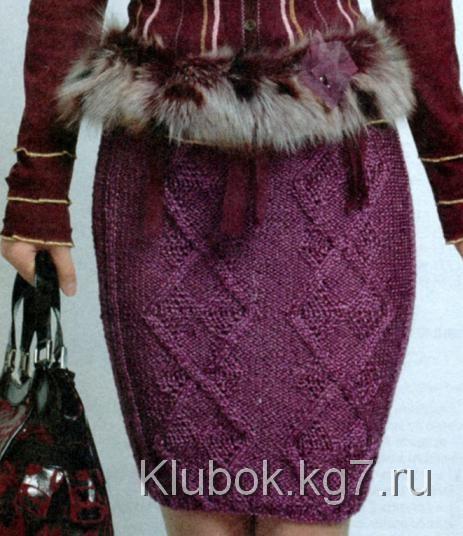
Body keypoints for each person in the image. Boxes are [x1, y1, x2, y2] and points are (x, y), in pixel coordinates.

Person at [1, 1, 463, 535]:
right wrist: (38, 188)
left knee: (313, 508)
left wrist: (456, 182)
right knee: (199, 509)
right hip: (164, 168)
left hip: (336, 159)